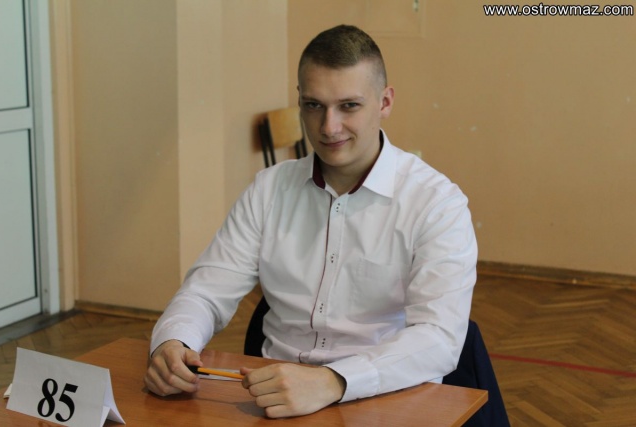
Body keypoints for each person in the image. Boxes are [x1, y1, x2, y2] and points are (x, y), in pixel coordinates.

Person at [144, 24, 477, 418]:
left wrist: (334, 381)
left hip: (386, 397)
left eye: (349, 106)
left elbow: (438, 338)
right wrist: (173, 341)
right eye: (314, 105)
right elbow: (206, 291)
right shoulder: (269, 189)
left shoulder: (437, 203)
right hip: (273, 396)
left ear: (385, 102)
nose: (329, 127)